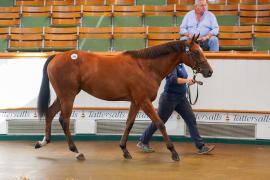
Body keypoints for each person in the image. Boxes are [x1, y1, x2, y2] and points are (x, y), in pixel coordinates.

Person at [137, 64, 215, 154]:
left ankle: (201, 147)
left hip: (181, 98)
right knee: (159, 122)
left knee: (191, 119)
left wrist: (189, 82)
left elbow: (181, 79)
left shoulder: (181, 65)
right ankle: (143, 141)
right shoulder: (172, 66)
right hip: (169, 99)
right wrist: (186, 80)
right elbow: (172, 79)